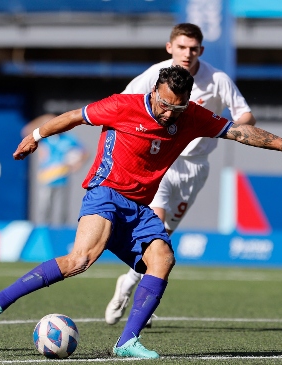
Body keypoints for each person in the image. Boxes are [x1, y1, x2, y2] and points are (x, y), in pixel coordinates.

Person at [0, 65, 282, 359]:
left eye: (175, 108)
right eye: (162, 104)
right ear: (154, 91)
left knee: (162, 258)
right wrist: (37, 135)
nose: (166, 112)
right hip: (106, 194)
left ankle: (125, 342)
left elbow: (240, 132)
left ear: (187, 102)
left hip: (139, 208)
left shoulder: (191, 116)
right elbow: (72, 117)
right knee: (80, 260)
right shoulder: (123, 105)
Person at [105, 23, 256, 327]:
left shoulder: (217, 79)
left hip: (196, 167)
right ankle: (139, 307)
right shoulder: (155, 74)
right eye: (182, 47)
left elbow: (245, 114)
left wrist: (232, 127)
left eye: (194, 48)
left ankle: (129, 283)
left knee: (165, 237)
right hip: (162, 161)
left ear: (201, 50)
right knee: (156, 231)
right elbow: (123, 102)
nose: (188, 53)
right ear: (169, 47)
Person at [22, 114, 89, 226]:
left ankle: (60, 235)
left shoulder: (69, 138)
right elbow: (26, 131)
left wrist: (78, 164)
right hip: (46, 179)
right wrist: (45, 118)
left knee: (62, 211)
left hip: (62, 179)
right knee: (44, 211)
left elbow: (85, 152)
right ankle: (44, 232)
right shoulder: (45, 138)